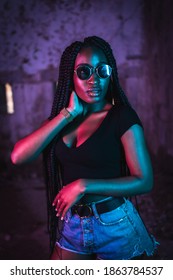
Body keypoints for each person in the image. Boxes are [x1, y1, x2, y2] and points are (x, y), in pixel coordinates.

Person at [11, 36, 158, 260]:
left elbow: (144, 180)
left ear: (111, 74)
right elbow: (18, 156)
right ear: (70, 76)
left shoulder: (122, 117)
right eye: (84, 72)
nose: (93, 80)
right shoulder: (62, 120)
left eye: (102, 71)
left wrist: (83, 185)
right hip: (72, 225)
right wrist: (67, 114)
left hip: (115, 225)